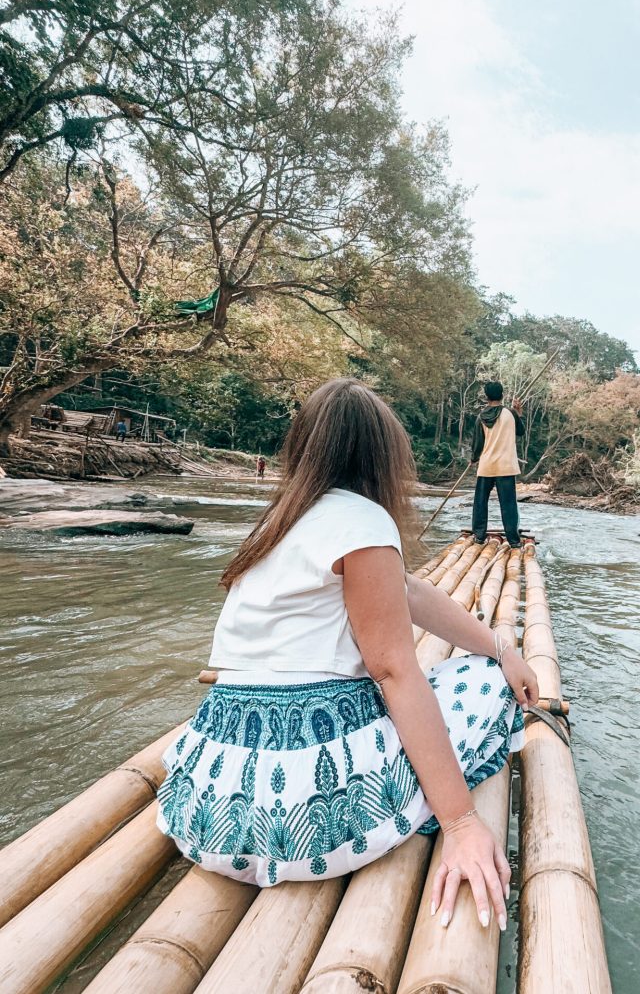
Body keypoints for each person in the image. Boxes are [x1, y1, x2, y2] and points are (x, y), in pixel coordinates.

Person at [156, 378, 538, 932]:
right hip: (315, 819)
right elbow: (392, 671)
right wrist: (460, 823)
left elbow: (409, 591)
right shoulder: (362, 521)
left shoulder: (278, 523)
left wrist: (502, 645)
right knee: (482, 682)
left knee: (480, 663)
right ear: (381, 457)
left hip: (211, 812)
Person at [470, 381, 524, 547]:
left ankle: (479, 536)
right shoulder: (510, 414)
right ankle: (514, 540)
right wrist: (519, 412)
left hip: (487, 465)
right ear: (502, 395)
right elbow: (521, 432)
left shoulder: (481, 417)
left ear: (486, 397)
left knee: (480, 503)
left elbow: (477, 443)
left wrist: (473, 459)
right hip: (506, 466)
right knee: (508, 504)